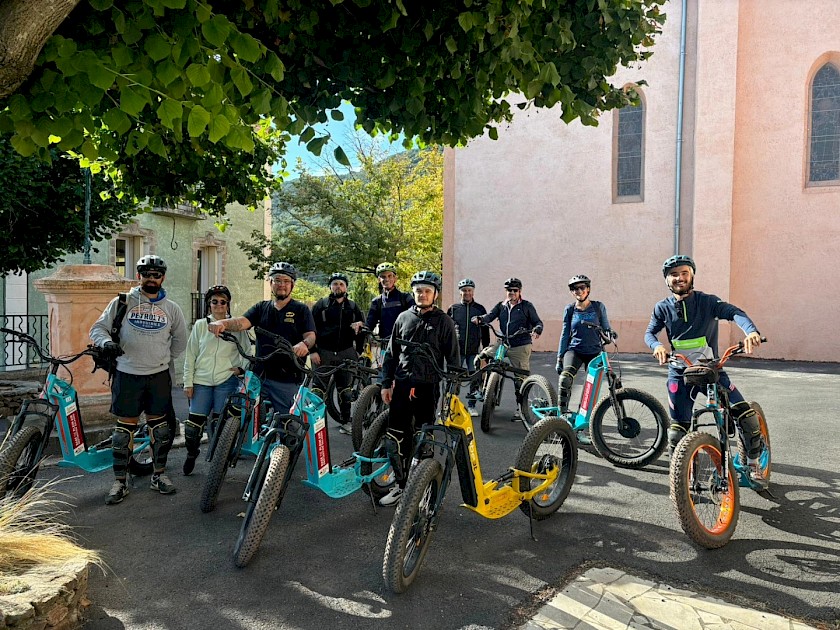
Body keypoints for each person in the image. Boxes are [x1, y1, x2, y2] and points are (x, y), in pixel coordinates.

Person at [644, 255, 766, 486]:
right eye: (673, 274)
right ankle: (684, 477)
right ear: (666, 280)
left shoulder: (707, 302)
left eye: (684, 273)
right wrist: (657, 345)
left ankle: (753, 464)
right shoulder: (662, 308)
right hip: (680, 373)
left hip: (712, 370)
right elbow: (649, 333)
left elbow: (735, 313)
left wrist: (751, 331)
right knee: (677, 431)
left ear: (692, 276)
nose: (679, 278)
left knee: (745, 416)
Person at [90, 255, 187, 505]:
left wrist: (160, 358)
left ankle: (159, 476)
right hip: (127, 374)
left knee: (160, 430)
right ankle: (120, 481)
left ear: (163, 278)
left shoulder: (172, 308)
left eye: (156, 275)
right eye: (146, 274)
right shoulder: (122, 302)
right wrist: (107, 343)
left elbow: (180, 341)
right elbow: (98, 329)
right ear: (138, 276)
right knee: (124, 430)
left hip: (158, 376)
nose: (151, 279)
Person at [378, 271, 459, 506]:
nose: (422, 295)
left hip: (428, 388)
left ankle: (422, 489)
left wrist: (451, 394)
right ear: (413, 293)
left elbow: (453, 360)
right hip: (402, 386)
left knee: (424, 441)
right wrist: (385, 384)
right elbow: (391, 354)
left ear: (435, 294)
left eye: (427, 291)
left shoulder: (444, 321)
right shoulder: (403, 318)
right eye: (418, 291)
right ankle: (401, 486)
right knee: (395, 438)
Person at [208, 262, 316, 415]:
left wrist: (304, 344)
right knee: (242, 414)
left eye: (286, 281)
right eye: (277, 280)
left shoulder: (301, 310)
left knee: (290, 425)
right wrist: (222, 323)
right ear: (271, 283)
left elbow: (311, 336)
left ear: (292, 285)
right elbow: (241, 323)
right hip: (259, 375)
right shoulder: (261, 308)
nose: (281, 285)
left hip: (287, 378)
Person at [182, 285, 250, 475]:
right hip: (201, 381)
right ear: (209, 304)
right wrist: (188, 382)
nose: (219, 305)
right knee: (193, 427)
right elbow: (190, 354)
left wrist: (240, 369)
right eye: (214, 302)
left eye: (223, 302)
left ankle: (219, 463)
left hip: (225, 380)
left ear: (228, 305)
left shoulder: (236, 326)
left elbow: (246, 351)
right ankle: (191, 453)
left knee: (220, 426)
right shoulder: (200, 325)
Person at [472, 277, 543, 421]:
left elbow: (537, 322)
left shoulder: (527, 306)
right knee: (481, 358)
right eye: (509, 290)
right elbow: (490, 316)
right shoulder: (501, 306)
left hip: (520, 344)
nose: (512, 293)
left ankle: (520, 408)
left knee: (520, 378)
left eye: (514, 290)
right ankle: (481, 388)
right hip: (503, 343)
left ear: (519, 291)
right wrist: (480, 319)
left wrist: (537, 329)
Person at [555, 275, 614, 441]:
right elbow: (565, 333)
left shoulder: (597, 307)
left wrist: (610, 334)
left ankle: (580, 428)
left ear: (588, 289)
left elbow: (606, 327)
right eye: (575, 289)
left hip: (595, 351)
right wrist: (559, 357)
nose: (579, 291)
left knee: (590, 390)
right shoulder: (570, 309)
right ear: (572, 292)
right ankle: (561, 418)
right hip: (575, 350)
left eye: (582, 287)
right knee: (565, 378)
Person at [311, 272, 365, 434]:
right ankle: (315, 423)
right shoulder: (321, 305)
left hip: (346, 351)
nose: (338, 287)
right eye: (335, 284)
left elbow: (362, 329)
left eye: (341, 284)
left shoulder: (353, 307)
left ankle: (345, 421)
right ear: (330, 287)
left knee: (345, 390)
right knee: (318, 390)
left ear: (346, 287)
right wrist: (312, 351)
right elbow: (310, 329)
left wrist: (359, 351)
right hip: (323, 352)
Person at [446, 278, 490, 416]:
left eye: (469, 290)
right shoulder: (453, 309)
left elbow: (485, 330)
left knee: (474, 377)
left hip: (473, 350)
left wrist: (486, 348)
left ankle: (471, 405)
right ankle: (452, 404)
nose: (467, 293)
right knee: (454, 378)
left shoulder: (480, 309)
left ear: (473, 291)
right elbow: (447, 330)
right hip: (457, 350)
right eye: (464, 290)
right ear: (460, 292)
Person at [363, 262, 414, 340]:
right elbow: (370, 322)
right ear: (379, 280)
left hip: (404, 342)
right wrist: (363, 329)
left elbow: (415, 318)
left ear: (395, 278)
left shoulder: (406, 298)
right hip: (385, 343)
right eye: (383, 277)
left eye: (390, 276)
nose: (387, 279)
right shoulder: (376, 302)